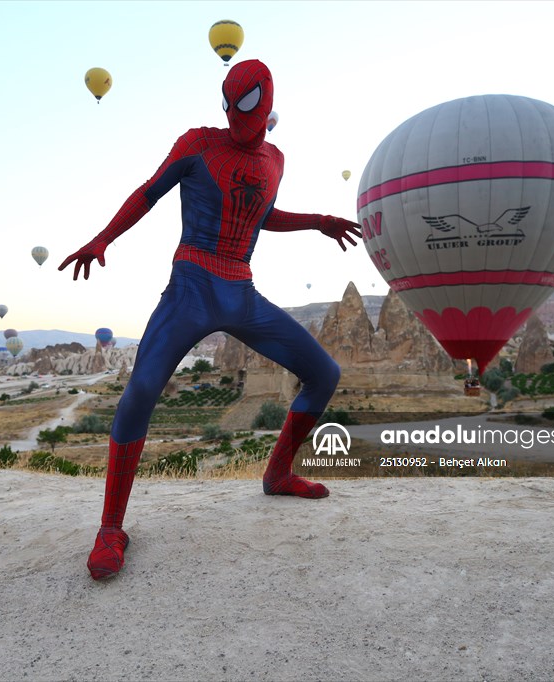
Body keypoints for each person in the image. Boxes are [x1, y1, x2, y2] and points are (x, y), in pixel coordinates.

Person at [59, 59, 362, 580]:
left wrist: (319, 222)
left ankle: (278, 473)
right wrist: (103, 237)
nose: (240, 114)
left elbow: (264, 216)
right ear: (224, 104)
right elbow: (148, 192)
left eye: (249, 105)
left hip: (239, 289)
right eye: (234, 103)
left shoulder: (276, 159)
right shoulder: (198, 144)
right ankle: (111, 527)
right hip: (191, 286)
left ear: (265, 108)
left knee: (325, 374)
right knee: (140, 393)